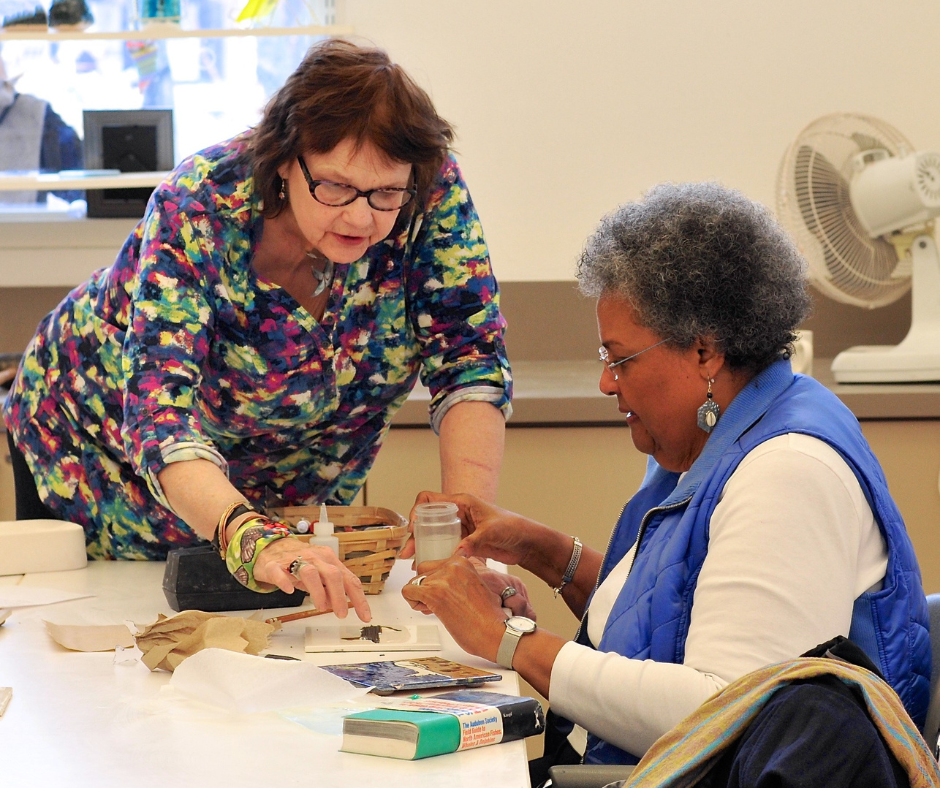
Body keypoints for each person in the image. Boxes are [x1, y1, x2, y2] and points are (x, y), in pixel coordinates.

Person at [401, 182, 930, 777]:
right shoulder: (725, 428)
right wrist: (541, 551)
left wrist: (507, 640)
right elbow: (681, 607)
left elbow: (718, 711)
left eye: (618, 359)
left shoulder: (788, 472)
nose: (606, 384)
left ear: (704, 353)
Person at [2, 39, 511, 621]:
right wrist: (251, 537)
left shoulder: (427, 191)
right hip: (100, 453)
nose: (363, 216)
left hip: (283, 486)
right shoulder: (201, 205)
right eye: (337, 187)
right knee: (116, 633)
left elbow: (468, 359)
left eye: (386, 194)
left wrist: (466, 531)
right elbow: (160, 412)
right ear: (285, 159)